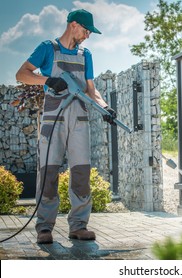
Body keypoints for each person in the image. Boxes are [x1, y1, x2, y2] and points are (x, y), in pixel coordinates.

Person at [15, 9, 116, 244]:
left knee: (81, 173)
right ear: (73, 25)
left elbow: (91, 89)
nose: (88, 35)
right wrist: (47, 79)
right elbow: (22, 74)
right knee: (48, 172)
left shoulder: (85, 54)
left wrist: (105, 107)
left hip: (79, 119)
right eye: (86, 30)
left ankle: (79, 226)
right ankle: (44, 228)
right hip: (53, 119)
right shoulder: (47, 48)